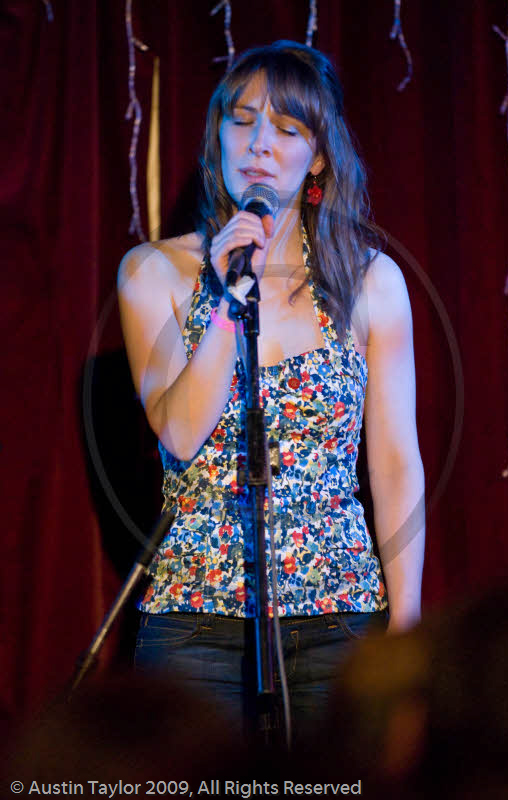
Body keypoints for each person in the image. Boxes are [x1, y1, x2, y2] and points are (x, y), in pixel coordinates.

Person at [117, 40, 425, 740]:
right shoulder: (154, 274)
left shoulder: (372, 282)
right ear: (217, 133)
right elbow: (183, 433)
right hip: (196, 616)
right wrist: (228, 298)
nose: (259, 144)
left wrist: (405, 634)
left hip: (337, 611)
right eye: (242, 119)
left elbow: (396, 464)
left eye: (286, 129)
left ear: (317, 157)